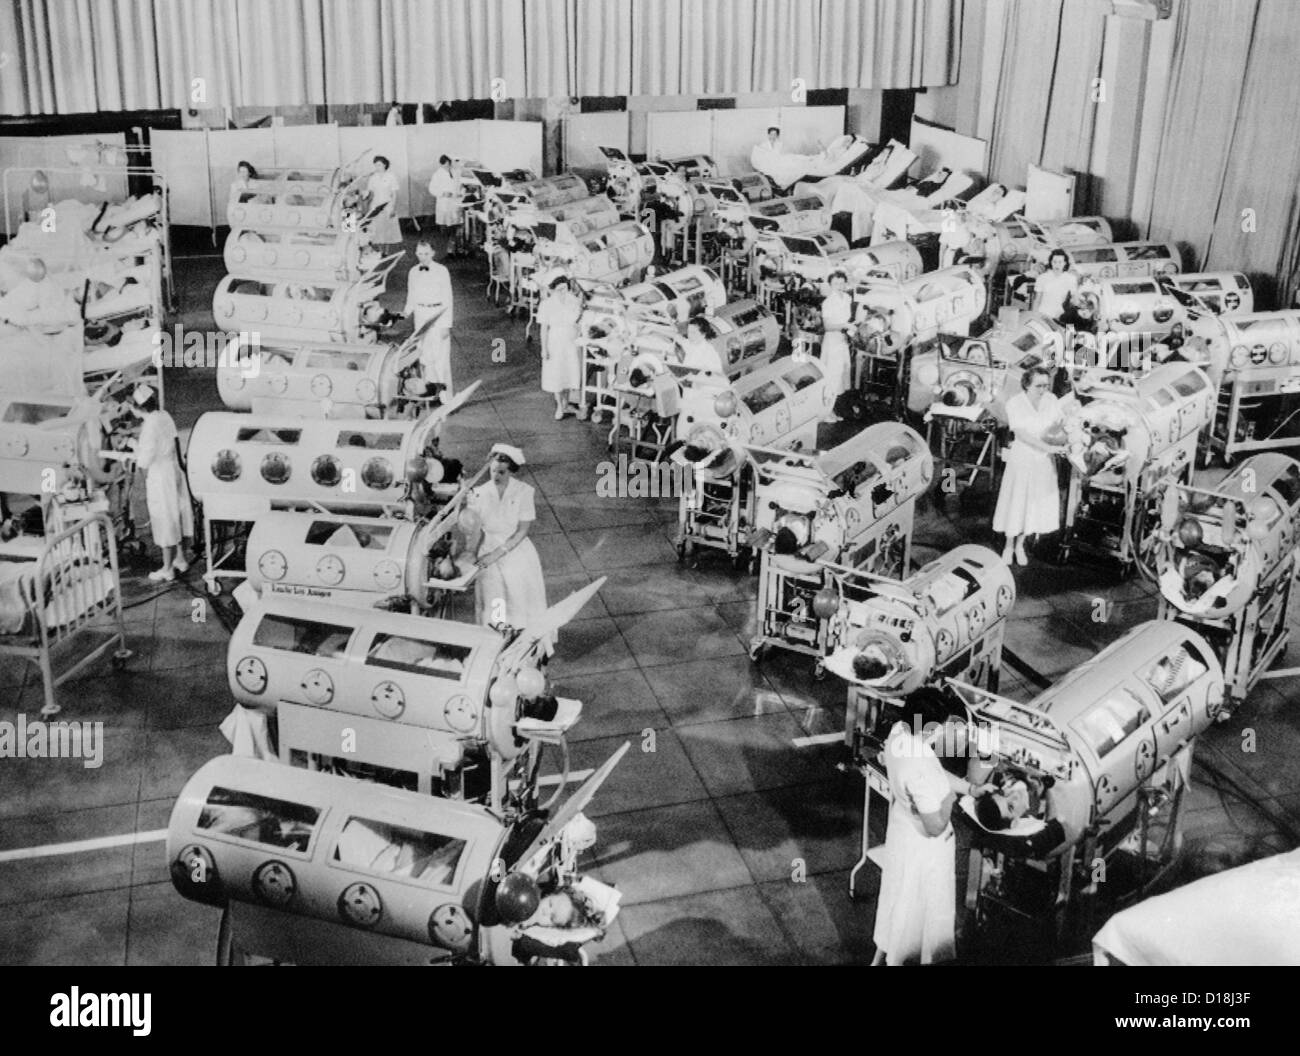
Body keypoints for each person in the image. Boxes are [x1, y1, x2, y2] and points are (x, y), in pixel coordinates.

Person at [872, 686, 986, 966]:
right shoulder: (918, 768)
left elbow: (935, 770)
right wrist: (950, 798)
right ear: (929, 727)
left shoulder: (900, 732)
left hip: (902, 834)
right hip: (926, 850)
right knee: (920, 916)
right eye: (942, 726)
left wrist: (970, 789)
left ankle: (882, 959)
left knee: (897, 905)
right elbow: (935, 825)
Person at [466, 444, 552, 654]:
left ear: (511, 471)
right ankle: (495, 646)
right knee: (495, 602)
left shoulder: (524, 491)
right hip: (487, 554)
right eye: (493, 470)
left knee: (519, 600)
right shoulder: (477, 493)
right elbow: (474, 530)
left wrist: (495, 555)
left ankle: (523, 647)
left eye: (501, 471)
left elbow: (522, 531)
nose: (496, 475)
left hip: (516, 553)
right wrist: (469, 554)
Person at [993, 366, 1065, 566]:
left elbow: (1061, 423)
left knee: (1032, 505)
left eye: (1046, 385)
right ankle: (1008, 545)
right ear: (1026, 385)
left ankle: (1020, 545)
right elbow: (1022, 434)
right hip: (1022, 459)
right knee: (1016, 503)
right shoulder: (1015, 403)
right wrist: (1048, 447)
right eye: (1039, 386)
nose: (1043, 390)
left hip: (1043, 462)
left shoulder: (1051, 400)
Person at [126, 384, 194, 582]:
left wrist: (132, 447)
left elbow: (145, 461)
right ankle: (180, 559)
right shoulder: (164, 415)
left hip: (160, 475)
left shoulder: (149, 426)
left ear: (139, 408)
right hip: (174, 470)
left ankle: (166, 569)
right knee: (176, 515)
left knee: (164, 518)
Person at [403, 240, 455, 397]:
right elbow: (411, 295)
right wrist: (405, 313)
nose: (422, 257)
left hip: (437, 315)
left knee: (441, 357)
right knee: (425, 357)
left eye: (426, 254)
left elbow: (448, 298)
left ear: (432, 253)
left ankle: (446, 396)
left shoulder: (442, 271)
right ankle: (431, 392)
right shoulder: (413, 272)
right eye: (419, 254)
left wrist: (446, 324)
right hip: (420, 316)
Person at [539, 276, 582, 419]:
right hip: (555, 342)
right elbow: (544, 329)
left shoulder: (574, 301)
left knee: (569, 372)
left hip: (571, 340)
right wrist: (544, 349)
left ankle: (566, 403)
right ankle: (559, 405)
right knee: (556, 374)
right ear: (552, 290)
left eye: (565, 288)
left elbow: (577, 320)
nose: (563, 292)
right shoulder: (546, 304)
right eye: (559, 290)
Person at [0, 258, 77, 329]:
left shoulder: (46, 283)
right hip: (21, 305)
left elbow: (48, 302)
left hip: (39, 301)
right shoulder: (27, 285)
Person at [818, 270, 854, 422]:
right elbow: (827, 326)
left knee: (840, 375)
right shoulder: (828, 302)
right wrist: (844, 326)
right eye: (835, 284)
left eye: (841, 283)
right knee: (832, 376)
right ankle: (825, 413)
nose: (839, 286)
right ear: (830, 285)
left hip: (843, 340)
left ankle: (831, 410)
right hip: (832, 341)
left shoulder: (847, 298)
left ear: (846, 283)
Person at [1032, 248, 1079, 324]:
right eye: (1055, 262)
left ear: (1065, 263)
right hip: (1044, 315)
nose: (1057, 265)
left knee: (1070, 335)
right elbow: (1037, 300)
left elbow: (1074, 300)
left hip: (1063, 316)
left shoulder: (1071, 278)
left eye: (1060, 262)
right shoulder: (1042, 278)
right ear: (1051, 263)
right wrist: (1034, 317)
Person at [365, 155, 402, 250]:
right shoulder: (373, 178)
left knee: (387, 229)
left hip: (388, 205)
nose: (377, 167)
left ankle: (386, 251)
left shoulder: (391, 176)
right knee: (377, 229)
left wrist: (393, 207)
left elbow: (394, 194)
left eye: (379, 165)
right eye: (375, 165)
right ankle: (380, 250)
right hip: (375, 205)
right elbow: (370, 193)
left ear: (385, 165)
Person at [428, 155, 462, 256]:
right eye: (446, 164)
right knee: (446, 227)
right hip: (445, 203)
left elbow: (459, 185)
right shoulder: (437, 174)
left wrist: (461, 193)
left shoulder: (456, 172)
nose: (448, 165)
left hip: (455, 202)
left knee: (456, 225)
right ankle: (448, 250)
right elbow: (432, 189)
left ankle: (456, 248)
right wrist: (442, 193)